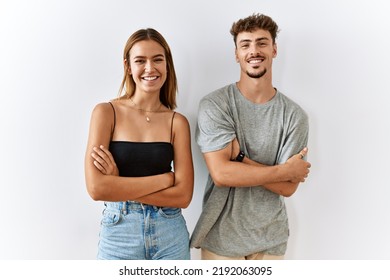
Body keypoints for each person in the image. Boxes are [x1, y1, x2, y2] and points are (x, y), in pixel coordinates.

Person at [190, 13, 311, 260]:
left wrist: (241, 158)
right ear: (236, 54)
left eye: (262, 43)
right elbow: (222, 174)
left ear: (274, 49)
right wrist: (285, 170)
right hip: (220, 241)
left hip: (270, 241)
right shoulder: (216, 105)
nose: (253, 51)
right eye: (245, 44)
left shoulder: (294, 116)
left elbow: (288, 188)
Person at [84, 28, 194, 260]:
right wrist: (165, 180)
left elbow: (183, 196)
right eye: (140, 61)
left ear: (167, 65)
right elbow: (97, 189)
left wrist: (119, 183)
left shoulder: (177, 122)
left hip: (170, 233)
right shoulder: (106, 113)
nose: (150, 68)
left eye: (157, 60)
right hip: (119, 233)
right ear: (128, 66)